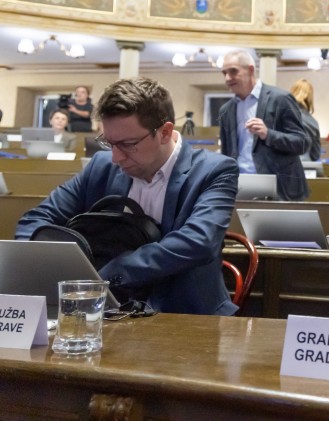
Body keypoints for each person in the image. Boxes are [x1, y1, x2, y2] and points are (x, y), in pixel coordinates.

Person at [16, 77, 239, 316]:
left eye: (128, 144)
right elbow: (35, 221)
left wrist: (105, 276)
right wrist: (47, 266)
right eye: (109, 143)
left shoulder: (215, 170)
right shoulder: (100, 166)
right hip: (106, 315)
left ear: (165, 132)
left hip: (188, 314)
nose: (115, 158)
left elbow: (198, 242)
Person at [218, 50, 309, 201]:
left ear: (250, 69)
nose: (228, 78)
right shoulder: (226, 110)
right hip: (241, 188)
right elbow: (227, 154)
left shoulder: (281, 99)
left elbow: (302, 143)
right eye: (224, 73)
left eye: (233, 71)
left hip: (280, 190)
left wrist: (268, 134)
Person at [289, 78, 321, 161]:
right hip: (307, 167)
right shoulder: (313, 122)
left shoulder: (281, 115)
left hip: (283, 167)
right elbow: (315, 155)